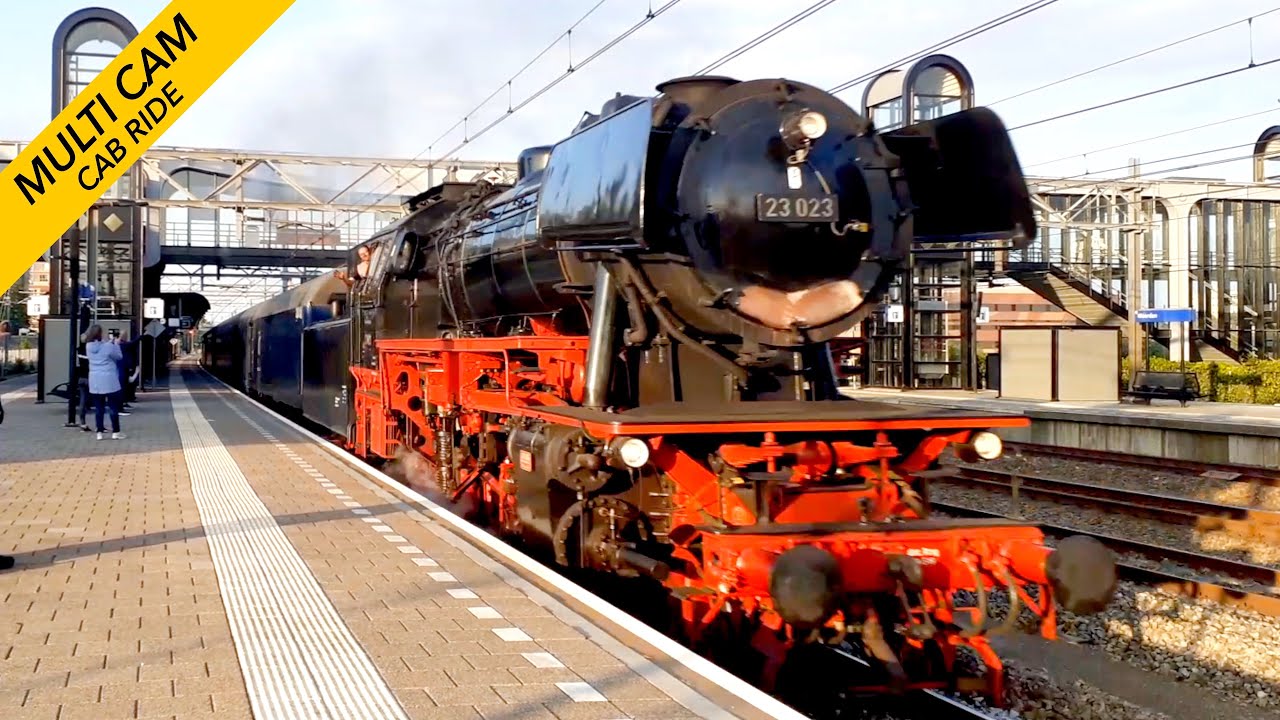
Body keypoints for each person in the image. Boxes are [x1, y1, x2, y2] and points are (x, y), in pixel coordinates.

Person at [84, 324, 126, 440]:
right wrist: (115, 344)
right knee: (113, 407)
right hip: (109, 379)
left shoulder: (88, 346)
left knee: (99, 408)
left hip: (95, 380)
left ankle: (99, 432)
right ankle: (116, 432)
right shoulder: (108, 346)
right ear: (101, 333)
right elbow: (119, 357)